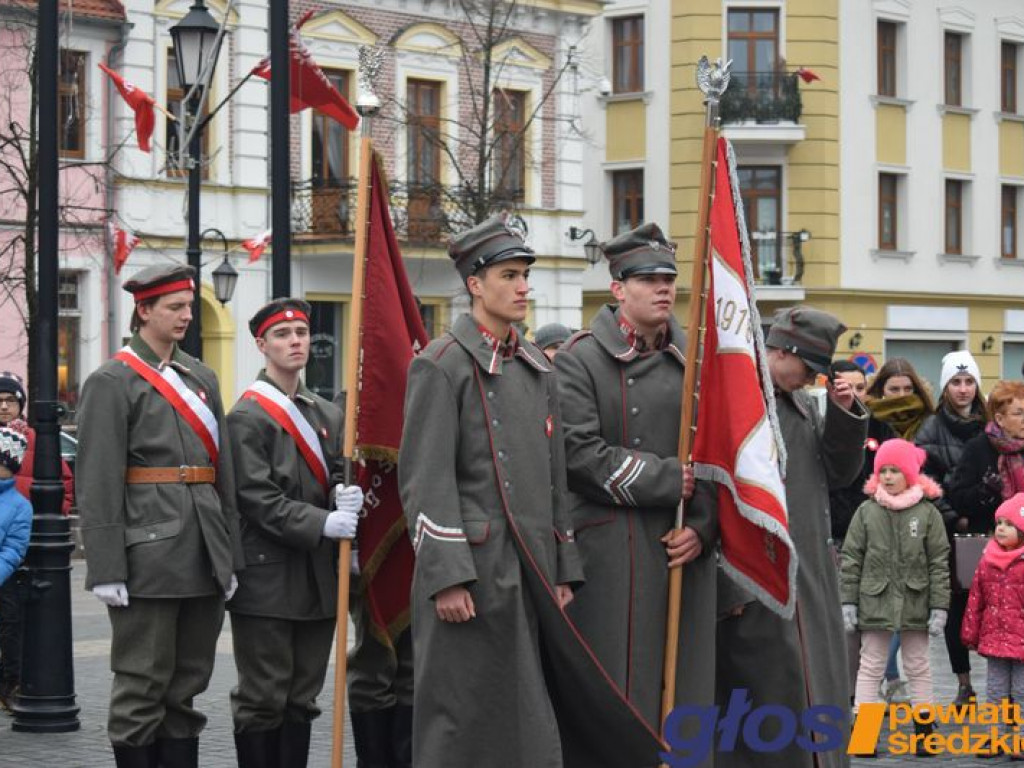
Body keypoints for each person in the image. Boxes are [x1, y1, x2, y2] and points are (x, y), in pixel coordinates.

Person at [397, 213, 583, 768]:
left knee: (526, 715)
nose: (523, 285)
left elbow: (555, 478)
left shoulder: (535, 368)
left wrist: (563, 565)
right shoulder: (440, 366)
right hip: (472, 574)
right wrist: (448, 576)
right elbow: (425, 480)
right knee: (462, 714)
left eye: (525, 273)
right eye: (509, 274)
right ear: (475, 285)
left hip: (528, 570)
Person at [554, 222, 718, 759]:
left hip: (679, 559)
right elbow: (580, 456)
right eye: (647, 279)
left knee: (682, 700)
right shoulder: (580, 359)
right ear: (618, 289)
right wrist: (671, 480)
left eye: (668, 277)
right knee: (614, 701)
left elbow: (717, 456)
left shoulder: (695, 362)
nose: (663, 288)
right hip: (610, 561)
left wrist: (701, 527)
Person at [76, 263, 243, 768]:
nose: (186, 316)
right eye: (174, 307)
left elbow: (223, 471)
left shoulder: (201, 376)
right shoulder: (112, 380)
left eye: (189, 307)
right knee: (142, 684)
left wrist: (230, 553)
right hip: (148, 553)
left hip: (203, 548)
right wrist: (106, 566)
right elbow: (98, 477)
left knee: (187, 685)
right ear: (143, 311)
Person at [716, 306, 867, 768]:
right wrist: (730, 583)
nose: (811, 380)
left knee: (818, 694)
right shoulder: (737, 401)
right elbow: (716, 495)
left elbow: (839, 475)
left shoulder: (800, 404)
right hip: (757, 580)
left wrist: (844, 415)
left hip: (810, 578)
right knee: (765, 707)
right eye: (808, 367)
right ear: (780, 351)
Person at [226, 299, 364, 768]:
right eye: (283, 336)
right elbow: (255, 498)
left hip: (318, 578)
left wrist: (347, 494)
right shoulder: (247, 416)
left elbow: (336, 474)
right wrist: (321, 521)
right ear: (262, 345)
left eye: (302, 333)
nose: (296, 342)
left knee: (303, 695)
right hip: (267, 580)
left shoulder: (325, 413)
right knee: (264, 696)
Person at [840, 439, 950, 756]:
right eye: (883, 470)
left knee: (918, 666)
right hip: (875, 600)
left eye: (895, 470)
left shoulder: (928, 514)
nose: (888, 476)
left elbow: (938, 563)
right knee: (870, 665)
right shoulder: (866, 512)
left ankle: (924, 734)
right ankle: (864, 735)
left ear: (911, 474)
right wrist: (849, 601)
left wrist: (939, 606)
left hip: (916, 601)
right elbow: (851, 559)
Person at [915, 350, 988, 706]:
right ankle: (963, 682)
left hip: (995, 528)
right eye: (956, 382)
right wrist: (951, 515)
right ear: (945, 388)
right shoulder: (931, 428)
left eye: (969, 381)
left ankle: (1003, 683)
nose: (963, 389)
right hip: (953, 531)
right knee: (956, 607)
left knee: (999, 607)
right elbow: (923, 480)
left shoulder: (992, 423)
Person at [0, 372, 75, 713]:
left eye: (10, 400)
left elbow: (65, 482)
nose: (4, 405)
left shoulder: (35, 439)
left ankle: (12, 684)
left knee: (15, 623)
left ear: (21, 405)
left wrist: (52, 513)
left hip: (28, 545)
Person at [826, 360, 898, 704]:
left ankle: (867, 710)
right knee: (845, 631)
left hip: (879, 543)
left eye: (860, 388)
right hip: (835, 543)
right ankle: (847, 705)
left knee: (877, 637)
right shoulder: (821, 426)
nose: (854, 395)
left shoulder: (883, 432)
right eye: (846, 388)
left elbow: (903, 482)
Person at [961, 492, 1024, 757]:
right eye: (999, 523)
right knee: (995, 690)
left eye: (1009, 524)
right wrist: (970, 632)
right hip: (995, 638)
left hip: (1021, 642)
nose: (1001, 528)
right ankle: (994, 736)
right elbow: (976, 599)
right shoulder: (987, 561)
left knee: (1021, 692)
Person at [948, 380, 1024, 532]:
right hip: (991, 538)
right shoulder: (977, 448)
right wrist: (985, 491)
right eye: (1018, 413)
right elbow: (958, 500)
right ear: (1000, 419)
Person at [0, 420, 30, 715]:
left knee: (9, 627)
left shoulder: (19, 505)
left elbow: (14, 549)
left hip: (3, 580)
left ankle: (10, 684)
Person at [865, 357, 935, 440]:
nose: (902, 395)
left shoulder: (929, 421)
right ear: (881, 390)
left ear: (915, 389)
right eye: (894, 389)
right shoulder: (868, 421)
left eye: (908, 389)